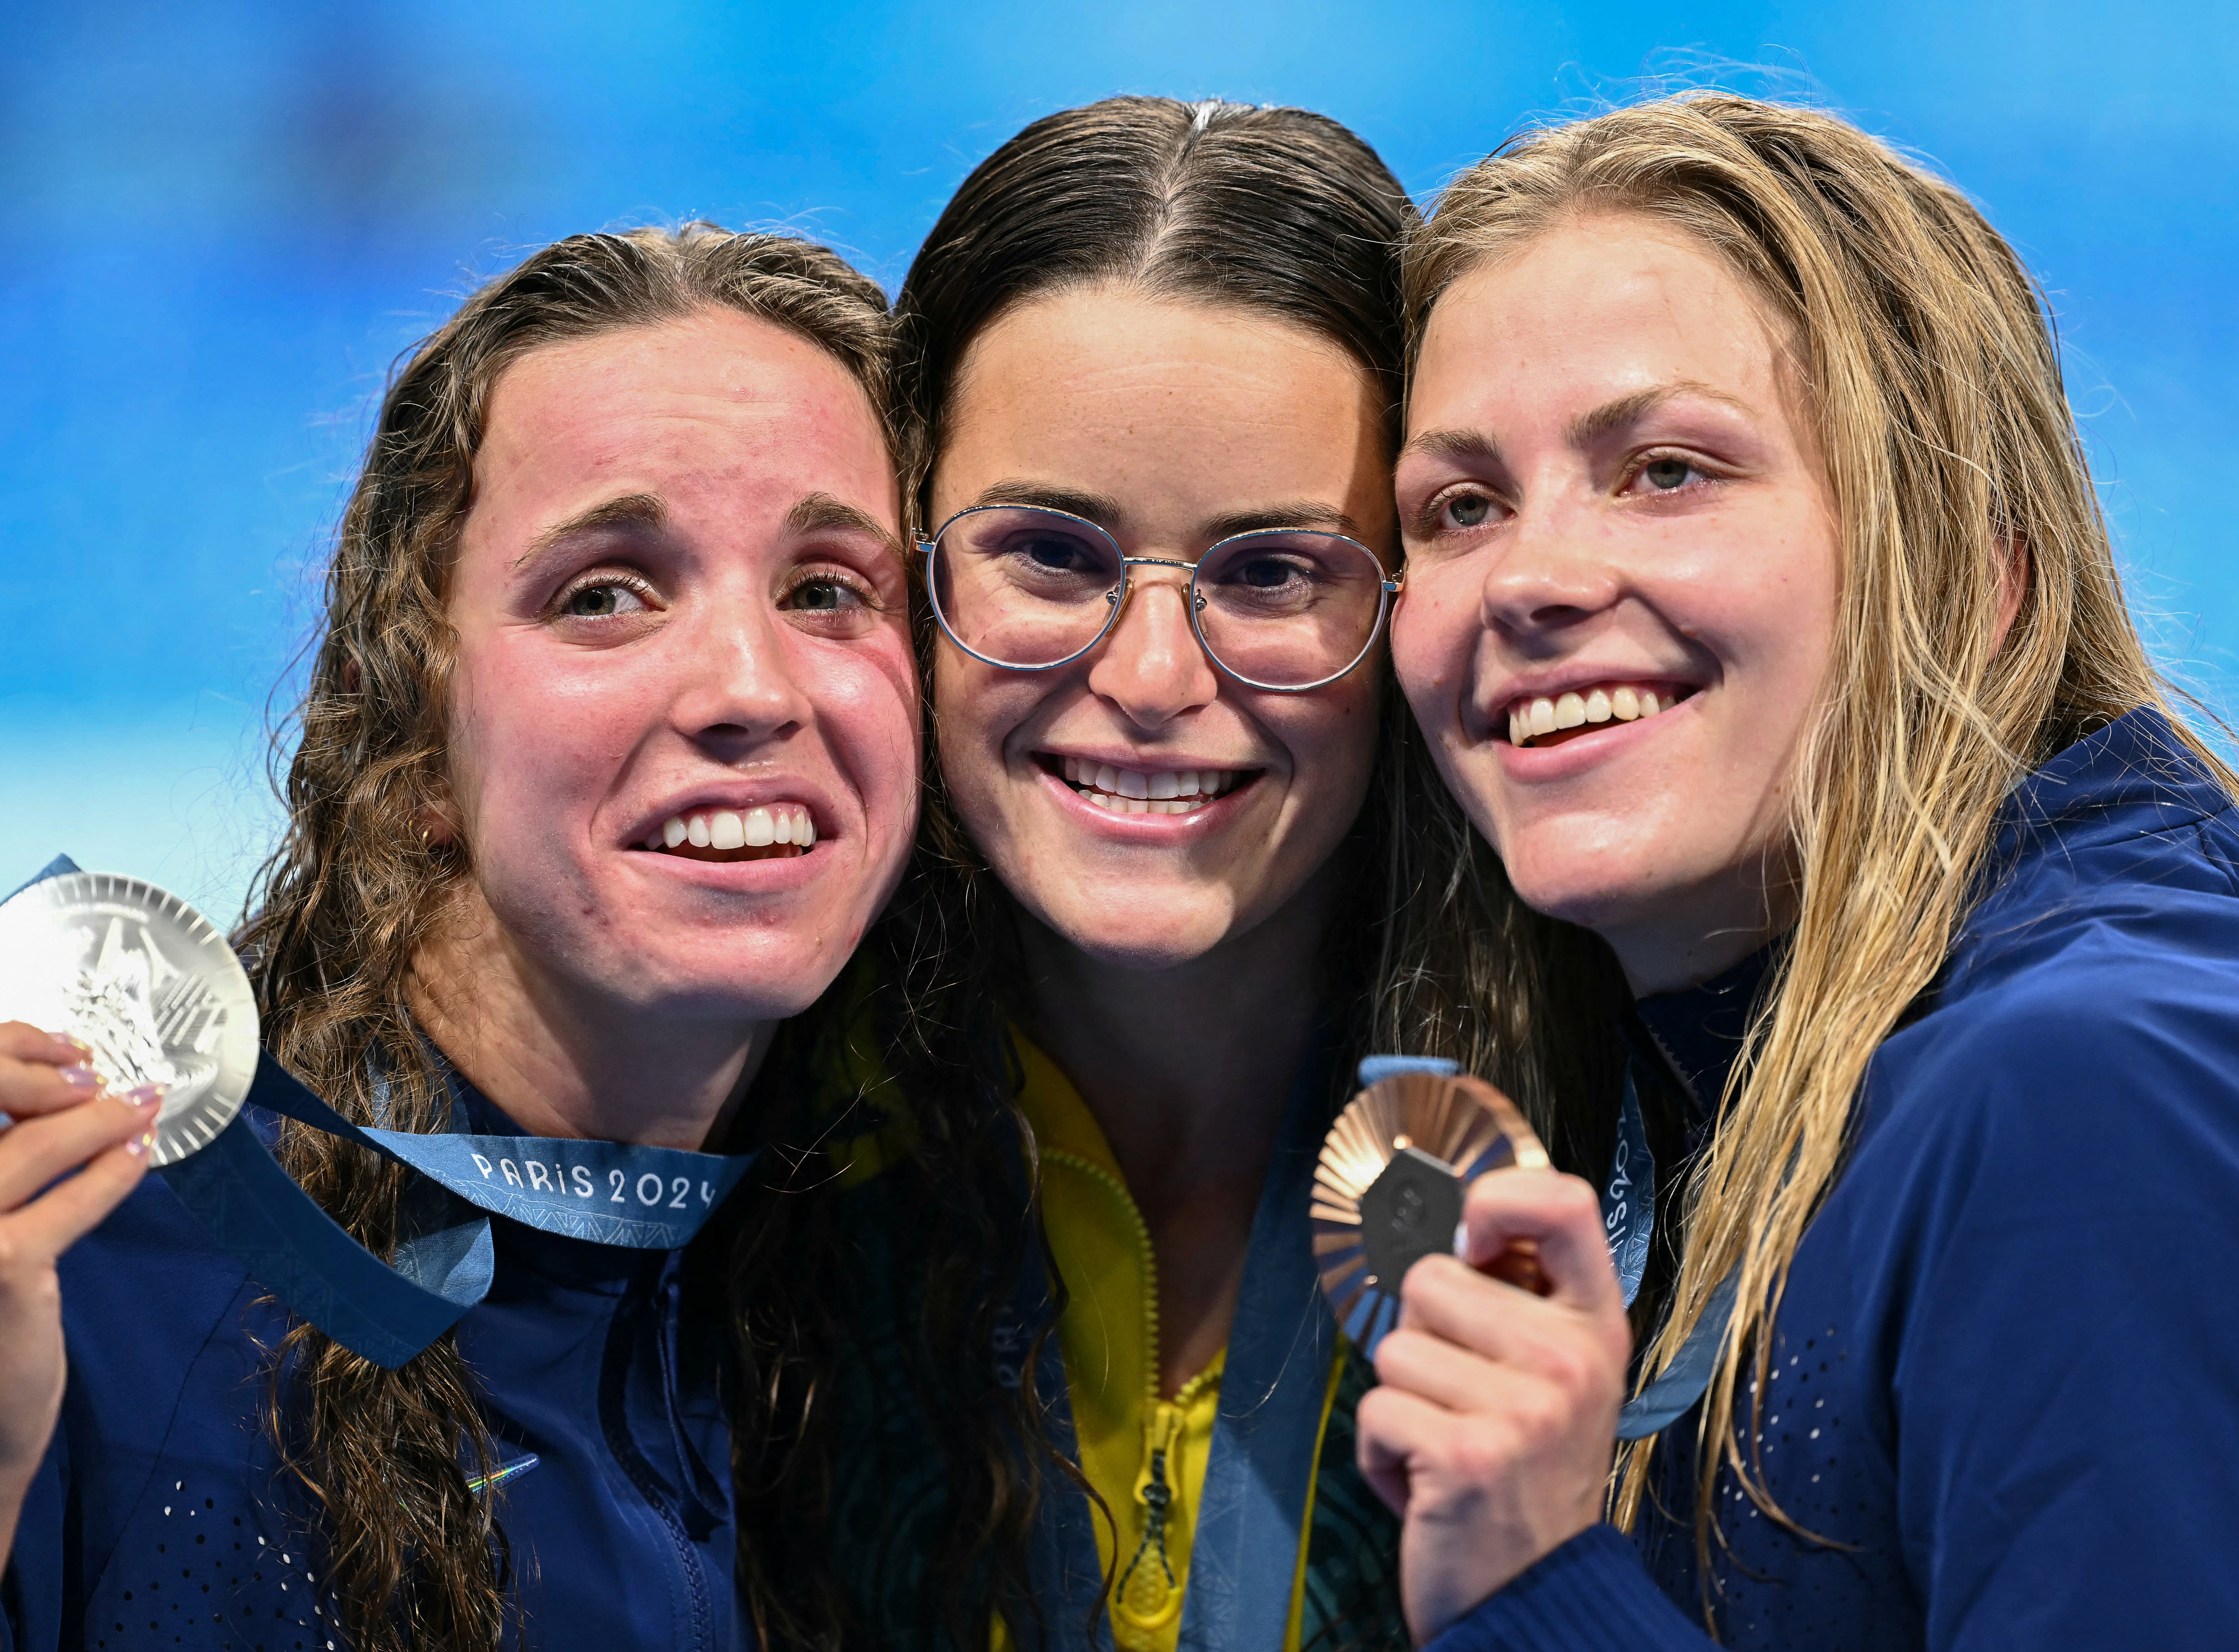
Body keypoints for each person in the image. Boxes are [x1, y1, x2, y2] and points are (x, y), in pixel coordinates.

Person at [1356, 92, 2239, 1648]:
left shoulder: (2081, 1088)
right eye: (1462, 506)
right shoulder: (1715, 1065)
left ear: (1969, 560)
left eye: (1668, 469)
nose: (1534, 580)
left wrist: (1539, 1590)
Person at [0, 223, 919, 1651]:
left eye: (827, 589)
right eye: (604, 593)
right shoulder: (88, 1276)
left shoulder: (892, 1322)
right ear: (412, 734)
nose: (751, 684)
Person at [734, 97, 1470, 1652]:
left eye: (1273, 571)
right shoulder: (726, 1153)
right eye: (1051, 553)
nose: (1147, 675)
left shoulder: (1611, 1162)